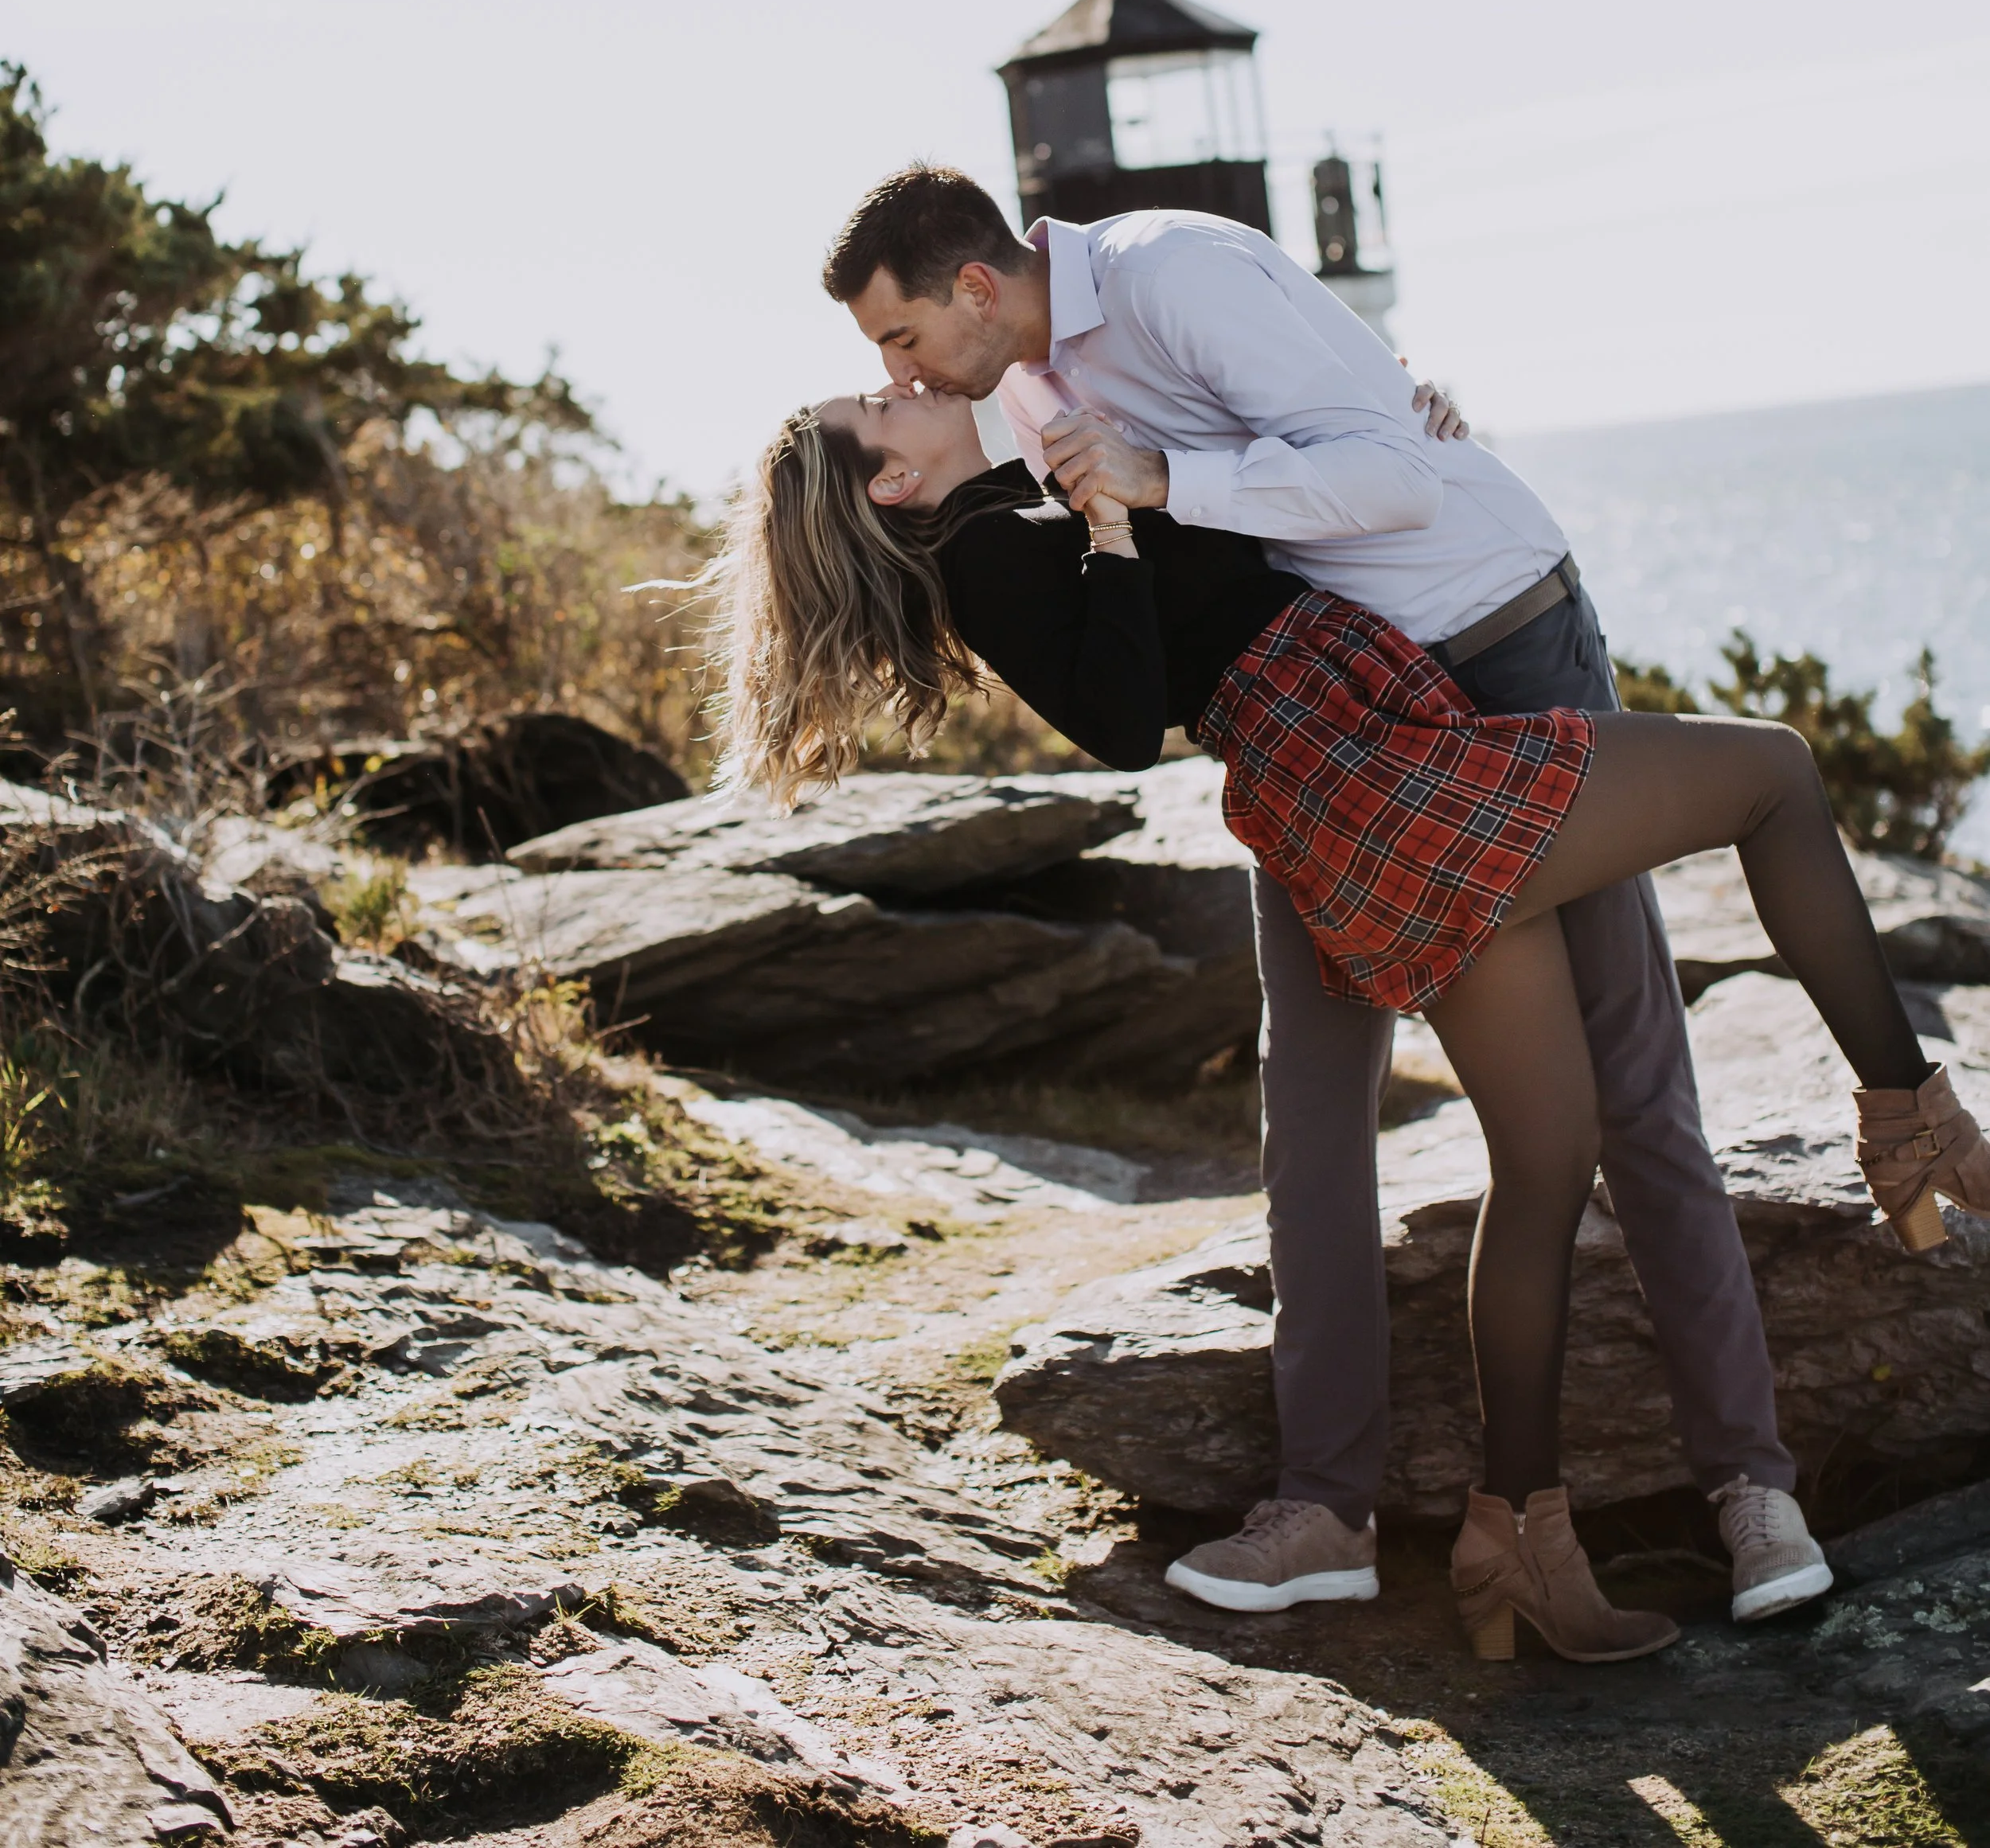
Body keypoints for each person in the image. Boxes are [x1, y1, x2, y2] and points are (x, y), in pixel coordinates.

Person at [721, 372, 1990, 1663]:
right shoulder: (994, 547)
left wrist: (1380, 430)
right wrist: (1109, 522)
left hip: (1364, 750)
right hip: (1365, 768)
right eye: (877, 397)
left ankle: (1519, 1534)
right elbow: (1115, 721)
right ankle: (1908, 1114)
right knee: (1770, 774)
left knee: (1549, 1154)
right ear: (886, 477)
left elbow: (1243, 505)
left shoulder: (1027, 481)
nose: (905, 381)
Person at [818, 167, 1825, 1632]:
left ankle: (1752, 1483)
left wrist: (1247, 457)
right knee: (1315, 1106)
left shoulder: (1179, 266)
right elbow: (1161, 607)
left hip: (1497, 647)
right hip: (1329, 734)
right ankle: (1325, 1507)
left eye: (901, 337)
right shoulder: (1028, 410)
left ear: (975, 285)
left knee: (1633, 1083)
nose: (893, 373)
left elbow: (1382, 465)